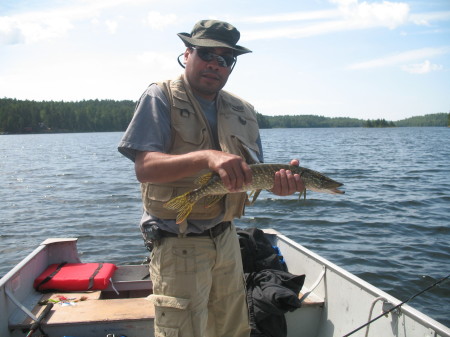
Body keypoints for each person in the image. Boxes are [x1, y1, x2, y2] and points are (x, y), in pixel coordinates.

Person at [118, 19, 305, 337]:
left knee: (233, 330)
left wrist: (279, 185)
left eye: (226, 59)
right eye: (207, 54)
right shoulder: (160, 96)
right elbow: (145, 166)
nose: (215, 64)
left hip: (228, 240)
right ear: (187, 53)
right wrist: (207, 157)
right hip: (179, 245)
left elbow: (252, 175)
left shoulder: (242, 109)